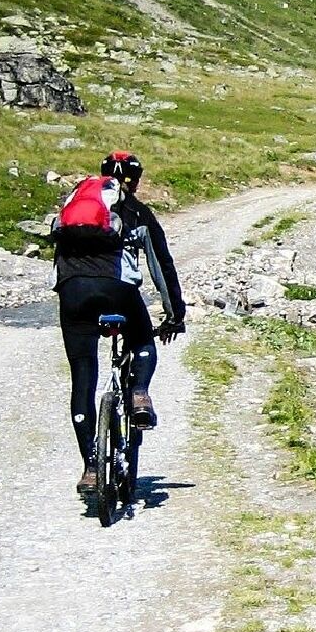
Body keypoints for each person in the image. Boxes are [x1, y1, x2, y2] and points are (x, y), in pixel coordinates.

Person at [52, 151, 186, 494]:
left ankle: (92, 468)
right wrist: (174, 315)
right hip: (117, 289)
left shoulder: (73, 208)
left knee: (82, 378)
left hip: (73, 292)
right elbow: (162, 266)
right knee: (142, 340)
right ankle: (139, 392)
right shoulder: (138, 212)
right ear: (135, 179)